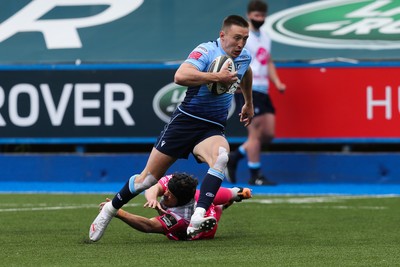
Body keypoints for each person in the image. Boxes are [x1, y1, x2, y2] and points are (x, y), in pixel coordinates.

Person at [89, 14, 254, 241]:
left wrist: (248, 102)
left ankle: (198, 214)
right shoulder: (206, 51)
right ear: (222, 35)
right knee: (146, 180)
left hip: (212, 126)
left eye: (245, 39)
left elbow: (246, 72)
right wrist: (216, 77)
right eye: (237, 38)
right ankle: (109, 210)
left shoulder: (244, 57)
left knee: (221, 157)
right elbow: (180, 75)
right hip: (186, 121)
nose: (241, 44)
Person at [226, 0, 286, 186]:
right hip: (248, 88)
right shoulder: (244, 36)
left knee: (268, 134)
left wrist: (277, 82)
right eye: (256, 15)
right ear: (249, 15)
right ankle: (255, 174)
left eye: (262, 16)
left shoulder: (265, 37)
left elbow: (267, 61)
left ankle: (235, 156)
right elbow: (232, 57)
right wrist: (234, 81)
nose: (259, 19)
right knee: (255, 134)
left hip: (263, 88)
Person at [95, 173, 252, 241]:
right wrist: (152, 198)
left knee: (216, 206)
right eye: (167, 190)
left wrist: (118, 212)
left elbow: (148, 226)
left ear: (181, 199)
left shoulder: (178, 219)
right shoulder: (175, 183)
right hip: (202, 203)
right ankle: (232, 200)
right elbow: (154, 187)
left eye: (170, 194)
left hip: (199, 230)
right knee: (230, 194)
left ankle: (204, 223)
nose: (165, 194)